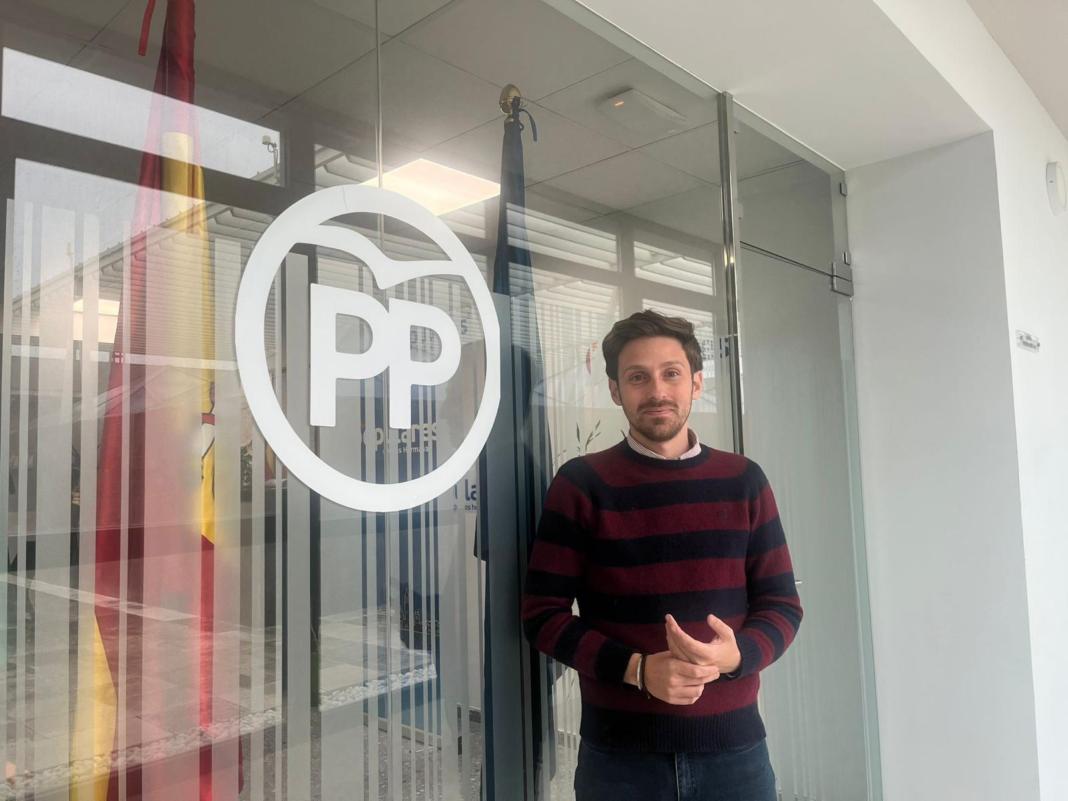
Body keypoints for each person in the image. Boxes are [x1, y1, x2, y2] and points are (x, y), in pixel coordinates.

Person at [522, 310, 803, 800]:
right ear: (616, 391)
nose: (657, 391)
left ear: (696, 382)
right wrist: (637, 670)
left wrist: (737, 655)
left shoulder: (744, 480)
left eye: (671, 373)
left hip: (736, 756)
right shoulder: (581, 485)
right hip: (619, 762)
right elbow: (541, 615)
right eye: (638, 377)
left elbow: (782, 606)